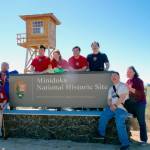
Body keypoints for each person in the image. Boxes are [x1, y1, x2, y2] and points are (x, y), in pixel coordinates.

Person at [98, 71, 130, 150]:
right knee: (103, 115)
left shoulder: (123, 86)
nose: (113, 77)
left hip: (122, 109)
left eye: (115, 76)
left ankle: (125, 144)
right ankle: (101, 135)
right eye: (112, 76)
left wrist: (115, 105)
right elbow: (109, 99)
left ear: (119, 77)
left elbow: (122, 97)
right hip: (112, 107)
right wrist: (111, 105)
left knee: (119, 121)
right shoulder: (111, 88)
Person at [126, 66, 148, 145]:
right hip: (131, 103)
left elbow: (141, 93)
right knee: (126, 117)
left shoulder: (139, 81)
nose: (128, 73)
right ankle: (127, 137)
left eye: (130, 71)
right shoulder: (128, 81)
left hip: (140, 103)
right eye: (127, 72)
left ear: (134, 73)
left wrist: (130, 89)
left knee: (141, 122)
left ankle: (144, 140)